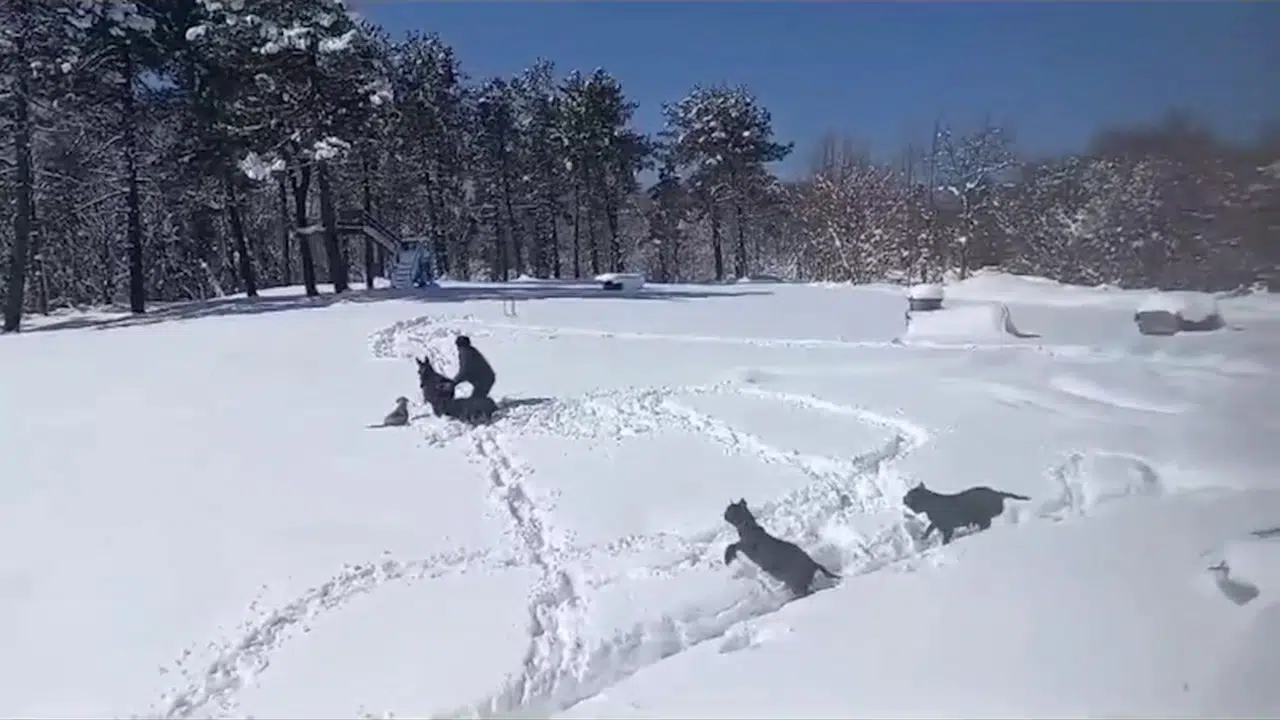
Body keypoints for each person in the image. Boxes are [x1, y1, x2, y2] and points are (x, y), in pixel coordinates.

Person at [451, 334, 496, 400]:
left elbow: (464, 371)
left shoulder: (466, 353)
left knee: (476, 399)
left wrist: (454, 382)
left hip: (484, 379)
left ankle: (488, 405)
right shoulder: (469, 351)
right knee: (477, 398)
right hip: (484, 379)